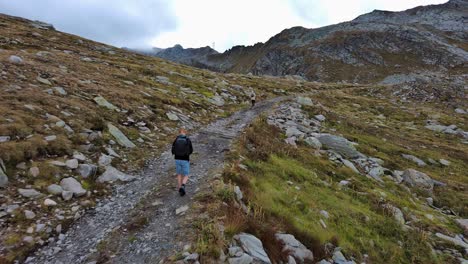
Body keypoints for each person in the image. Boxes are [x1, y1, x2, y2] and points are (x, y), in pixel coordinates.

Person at [171, 128, 193, 196]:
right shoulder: (187, 139)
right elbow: (191, 150)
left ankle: (179, 188)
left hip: (177, 159)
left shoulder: (176, 139)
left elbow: (173, 150)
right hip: (185, 159)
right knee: (186, 174)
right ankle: (183, 185)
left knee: (179, 174)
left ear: (179, 132)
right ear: (185, 132)